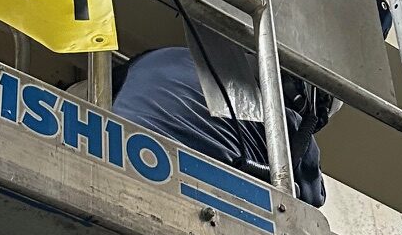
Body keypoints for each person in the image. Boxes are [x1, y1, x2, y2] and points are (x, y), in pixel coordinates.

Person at [112, 43, 334, 207]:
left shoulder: (163, 57)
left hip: (116, 159)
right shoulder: (286, 125)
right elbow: (311, 200)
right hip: (195, 199)